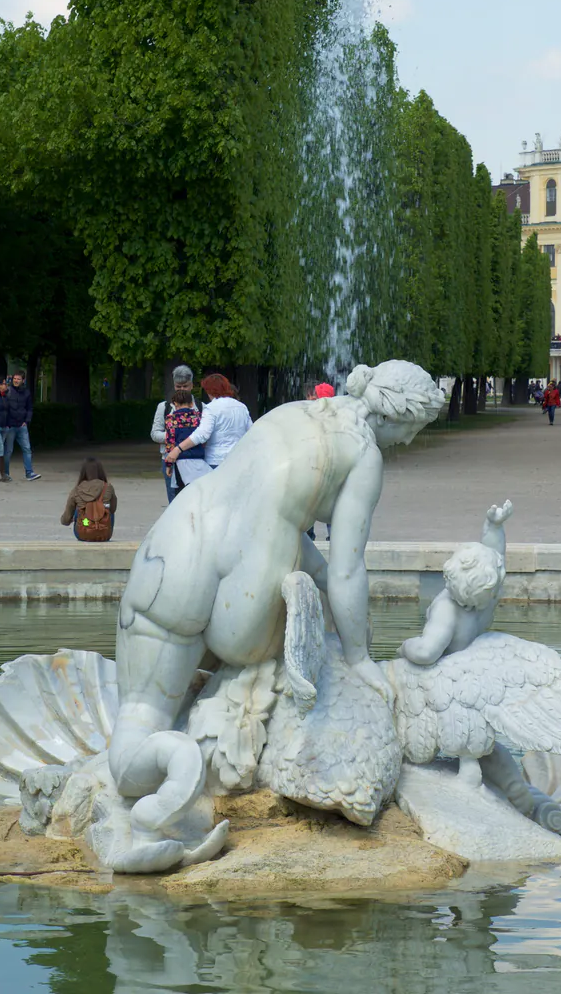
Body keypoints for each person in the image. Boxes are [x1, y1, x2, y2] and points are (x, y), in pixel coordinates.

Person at [109, 359, 445, 872]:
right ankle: (198, 767)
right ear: (399, 420)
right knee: (328, 634)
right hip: (243, 599)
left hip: (174, 548)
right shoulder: (364, 454)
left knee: (136, 728)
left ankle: (161, 782)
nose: (404, 444)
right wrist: (359, 657)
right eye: (411, 433)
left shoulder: (298, 411)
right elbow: (347, 568)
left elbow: (276, 519)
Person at [166, 372, 253, 478]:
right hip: (238, 459)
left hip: (216, 460)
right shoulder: (242, 407)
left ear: (211, 390)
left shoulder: (211, 408)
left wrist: (178, 449)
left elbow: (202, 434)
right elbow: (250, 432)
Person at [151, 366, 198, 497]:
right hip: (170, 460)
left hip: (195, 459)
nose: (182, 390)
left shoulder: (200, 407)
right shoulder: (164, 407)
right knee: (174, 501)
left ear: (192, 385)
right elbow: (155, 434)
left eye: (185, 386)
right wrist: (176, 436)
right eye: (178, 386)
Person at [164, 389, 209, 498]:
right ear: (192, 403)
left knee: (182, 495)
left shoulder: (171, 419)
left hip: (180, 461)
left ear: (175, 403)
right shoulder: (198, 417)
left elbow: (170, 443)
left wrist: (169, 464)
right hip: (199, 459)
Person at [60, 457, 118, 540]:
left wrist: (69, 519)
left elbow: (65, 520)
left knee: (79, 509)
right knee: (108, 509)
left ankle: (86, 525)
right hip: (104, 532)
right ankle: (102, 527)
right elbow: (113, 509)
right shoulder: (108, 487)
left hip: (83, 531)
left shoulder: (77, 490)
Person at [3, 370, 41, 481]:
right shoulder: (8, 391)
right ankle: (5, 473)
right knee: (8, 451)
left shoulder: (26, 393)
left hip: (21, 425)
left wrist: (27, 421)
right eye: (14, 378)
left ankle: (29, 473)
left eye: (18, 379)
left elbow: (29, 408)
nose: (16, 380)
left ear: (23, 380)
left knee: (27, 449)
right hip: (10, 426)